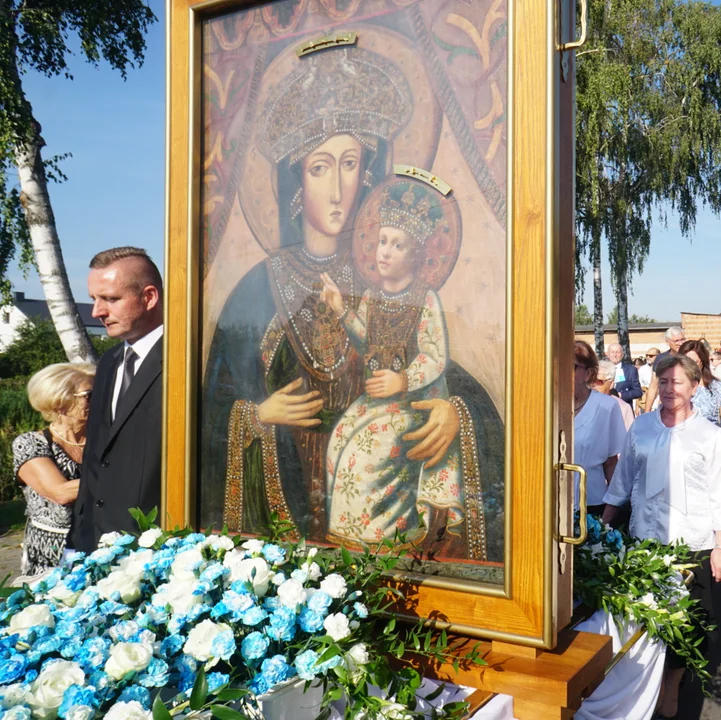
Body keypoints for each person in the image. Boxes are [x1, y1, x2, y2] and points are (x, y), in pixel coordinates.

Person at [199, 47, 503, 561]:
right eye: (320, 167)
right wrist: (256, 415)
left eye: (349, 163)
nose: (338, 188)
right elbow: (213, 404)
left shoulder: (393, 280)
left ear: (368, 172)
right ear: (298, 181)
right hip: (291, 510)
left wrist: (454, 414)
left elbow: (447, 373)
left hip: (392, 494)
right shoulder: (258, 286)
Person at [319, 178, 468, 551]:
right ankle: (346, 542)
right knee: (338, 442)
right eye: (382, 242)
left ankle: (383, 540)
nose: (384, 252)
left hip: (412, 405)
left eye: (397, 245)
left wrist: (403, 380)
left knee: (365, 455)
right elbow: (366, 339)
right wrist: (340, 308)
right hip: (376, 403)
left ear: (416, 255)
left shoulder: (426, 299)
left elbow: (435, 357)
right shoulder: (371, 296)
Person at [601, 354, 721, 719]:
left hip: (691, 543)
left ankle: (672, 686)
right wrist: (605, 521)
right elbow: (623, 478)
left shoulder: (708, 435)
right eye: (662, 382)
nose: (668, 389)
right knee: (646, 619)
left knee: (686, 622)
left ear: (694, 387)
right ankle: (645, 686)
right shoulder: (642, 427)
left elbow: (720, 494)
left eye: (677, 382)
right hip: (645, 539)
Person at [72, 247, 165, 552]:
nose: (97, 312)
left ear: (149, 297)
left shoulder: (188, 359)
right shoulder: (110, 362)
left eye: (110, 299)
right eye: (94, 299)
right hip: (97, 548)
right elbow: (96, 459)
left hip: (160, 550)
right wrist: (78, 542)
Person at [13, 363, 94, 574]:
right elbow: (61, 492)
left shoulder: (102, 440)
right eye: (89, 395)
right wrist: (123, 478)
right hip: (51, 552)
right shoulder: (30, 443)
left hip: (99, 543)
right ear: (60, 403)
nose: (99, 399)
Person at [574, 342, 627, 515]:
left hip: (591, 506)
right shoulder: (546, 407)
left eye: (571, 367)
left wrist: (610, 516)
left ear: (588, 373)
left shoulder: (606, 406)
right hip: (549, 503)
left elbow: (611, 463)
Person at [680, 340, 721, 427]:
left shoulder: (716, 387)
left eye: (694, 362)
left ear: (702, 362)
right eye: (685, 363)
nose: (689, 367)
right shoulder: (671, 386)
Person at [643, 328, 686, 411]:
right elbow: (653, 386)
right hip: (669, 404)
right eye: (676, 341)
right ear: (667, 342)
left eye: (682, 340)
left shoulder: (690, 356)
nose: (680, 343)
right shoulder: (661, 359)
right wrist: (647, 412)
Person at [596, 360, 635, 431]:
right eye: (590, 380)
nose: (593, 385)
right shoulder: (581, 404)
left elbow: (629, 438)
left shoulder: (622, 408)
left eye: (598, 381)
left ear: (611, 384)